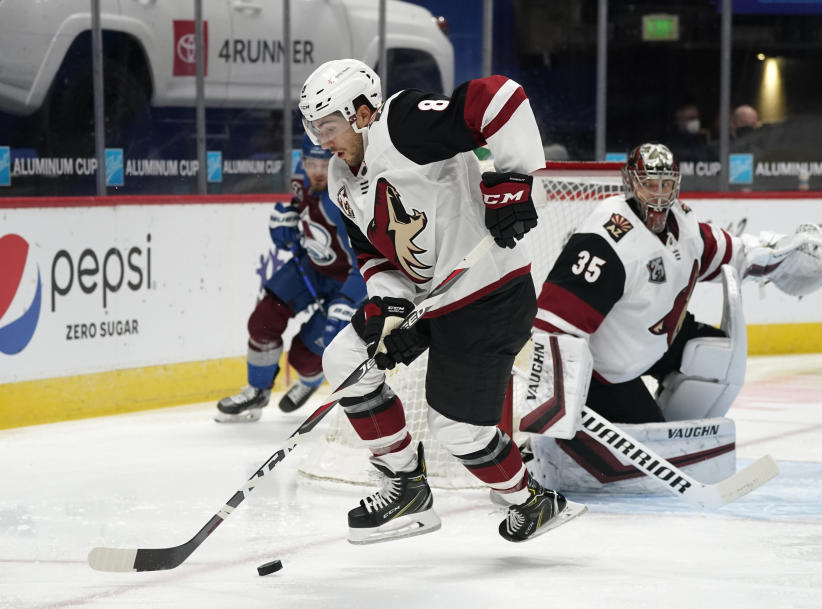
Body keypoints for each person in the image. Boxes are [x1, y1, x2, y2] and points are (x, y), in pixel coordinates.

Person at [299, 58, 580, 544]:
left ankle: (532, 503)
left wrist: (514, 180)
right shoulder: (343, 182)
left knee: (457, 430)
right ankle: (406, 486)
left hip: (489, 295)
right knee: (344, 357)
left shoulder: (404, 123)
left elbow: (499, 96)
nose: (321, 140)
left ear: (363, 112)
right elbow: (374, 254)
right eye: (313, 127)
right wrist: (388, 305)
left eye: (329, 125)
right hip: (429, 299)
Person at [523, 143, 822, 486]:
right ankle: (569, 445)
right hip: (607, 371)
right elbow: (554, 328)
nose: (658, 195)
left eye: (665, 184)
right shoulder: (604, 242)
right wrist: (549, 420)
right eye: (648, 184)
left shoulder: (683, 223)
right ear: (630, 183)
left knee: (716, 357)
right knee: (650, 435)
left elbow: (730, 253)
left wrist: (779, 258)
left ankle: (672, 427)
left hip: (654, 337)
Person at [215, 138, 367, 422]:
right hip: (310, 268)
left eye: (324, 164)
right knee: (263, 320)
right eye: (311, 164)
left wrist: (349, 299)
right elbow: (300, 208)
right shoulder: (303, 177)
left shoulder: (341, 199)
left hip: (346, 281)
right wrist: (285, 225)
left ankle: (310, 379)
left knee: (305, 357)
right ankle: (257, 390)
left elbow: (365, 257)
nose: (317, 171)